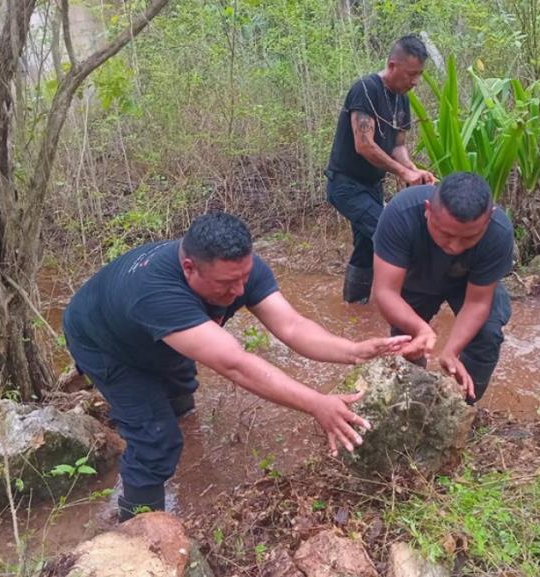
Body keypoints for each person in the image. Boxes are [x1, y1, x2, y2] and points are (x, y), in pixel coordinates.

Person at [62, 212, 409, 522]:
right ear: (189, 268)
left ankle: (178, 417)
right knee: (156, 440)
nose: (240, 290)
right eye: (227, 284)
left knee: (181, 391)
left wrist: (353, 350)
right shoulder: (155, 292)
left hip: (154, 329)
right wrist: (317, 403)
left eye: (244, 277)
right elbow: (235, 363)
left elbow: (291, 326)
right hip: (105, 343)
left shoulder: (237, 268)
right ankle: (140, 531)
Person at [372, 172, 513, 405]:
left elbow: (477, 303)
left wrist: (451, 351)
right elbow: (386, 292)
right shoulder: (401, 214)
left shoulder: (498, 232)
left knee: (487, 334)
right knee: (408, 341)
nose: (455, 246)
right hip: (417, 278)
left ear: (488, 220)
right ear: (428, 209)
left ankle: (461, 409)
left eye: (469, 238)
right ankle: (410, 405)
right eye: (446, 234)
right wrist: (421, 329)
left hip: (467, 282)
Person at [326, 34, 436, 304]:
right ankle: (410, 307)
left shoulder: (402, 99)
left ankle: (354, 307)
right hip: (346, 186)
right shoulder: (365, 89)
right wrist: (402, 173)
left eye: (419, 74)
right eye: (411, 74)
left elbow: (398, 146)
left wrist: (413, 170)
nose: (415, 81)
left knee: (366, 245)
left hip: (371, 187)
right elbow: (364, 144)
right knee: (392, 235)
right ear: (392, 65)